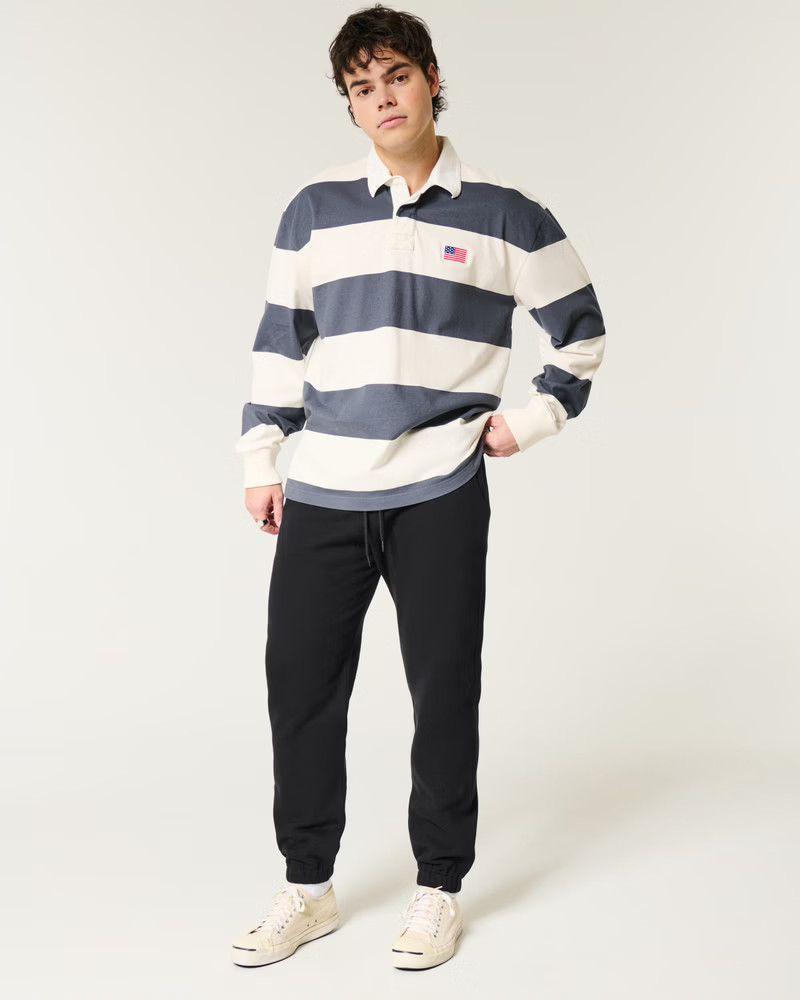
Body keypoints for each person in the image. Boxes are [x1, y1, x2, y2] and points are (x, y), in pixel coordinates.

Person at [231, 1, 606, 972]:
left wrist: (528, 420)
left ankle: (438, 887)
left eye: (395, 75)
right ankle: (307, 887)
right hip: (322, 487)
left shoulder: (508, 214)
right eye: (361, 87)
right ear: (350, 105)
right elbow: (280, 343)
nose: (382, 98)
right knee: (298, 689)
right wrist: (262, 459)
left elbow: (580, 333)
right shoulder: (313, 210)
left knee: (443, 691)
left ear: (432, 79)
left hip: (439, 486)